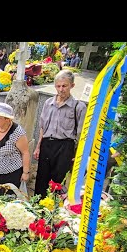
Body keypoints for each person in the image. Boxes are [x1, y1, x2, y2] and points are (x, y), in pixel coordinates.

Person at [33, 69, 86, 197]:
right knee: (41, 178)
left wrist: (77, 154)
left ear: (72, 86)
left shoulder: (78, 107)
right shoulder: (48, 103)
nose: (61, 89)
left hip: (65, 147)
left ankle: (54, 208)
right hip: (47, 144)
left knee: (58, 180)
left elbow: (80, 134)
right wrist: (38, 147)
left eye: (64, 86)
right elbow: (42, 127)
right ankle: (38, 207)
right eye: (58, 86)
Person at [0, 102, 30, 189]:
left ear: (8, 119)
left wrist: (26, 173)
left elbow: (25, 153)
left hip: (11, 174)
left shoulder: (18, 133)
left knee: (9, 200)